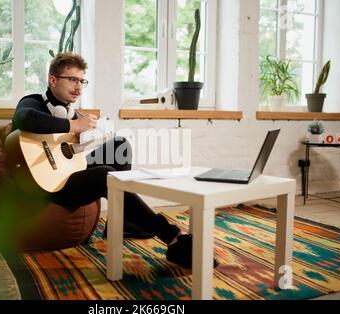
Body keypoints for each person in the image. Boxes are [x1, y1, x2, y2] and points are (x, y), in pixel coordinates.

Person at [12, 52, 218, 269]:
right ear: (52, 80)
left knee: (119, 145)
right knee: (105, 174)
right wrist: (74, 126)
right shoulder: (33, 102)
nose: (79, 87)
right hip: (46, 184)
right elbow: (25, 118)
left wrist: (93, 134)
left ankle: (122, 223)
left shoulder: (73, 113)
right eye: (72, 79)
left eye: (82, 81)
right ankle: (173, 237)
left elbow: (72, 152)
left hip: (67, 172)